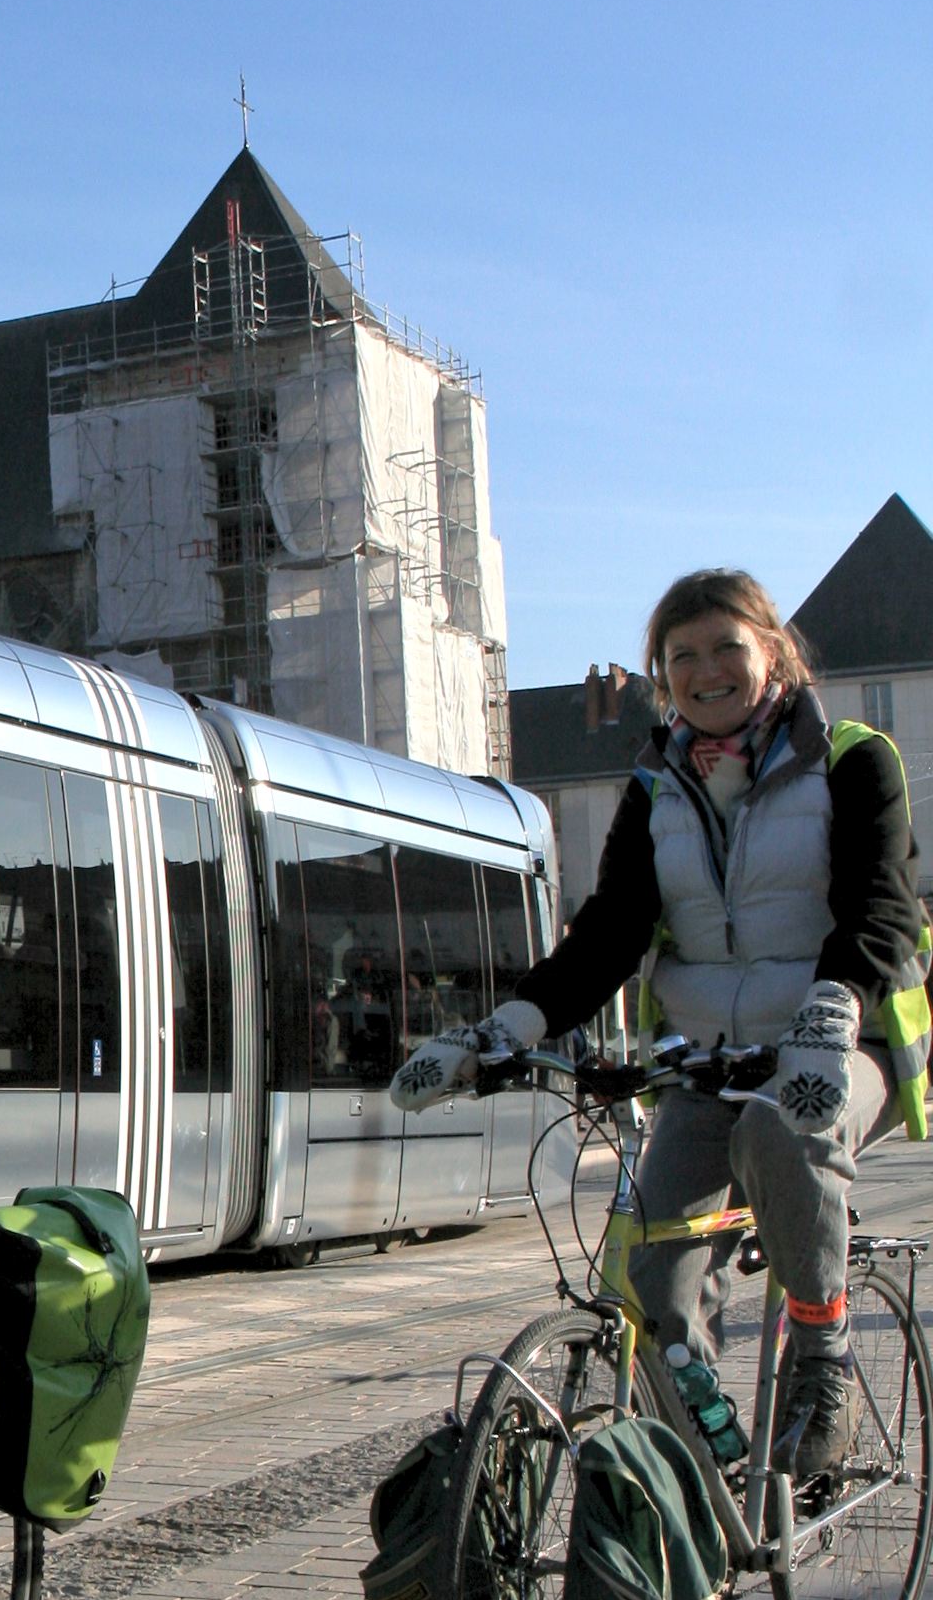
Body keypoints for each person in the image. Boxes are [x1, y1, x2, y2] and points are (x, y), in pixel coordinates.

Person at [393, 570, 929, 1481]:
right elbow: (608, 934)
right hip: (715, 1060)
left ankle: (824, 1359)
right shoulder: (656, 788)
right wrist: (501, 1029)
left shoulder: (850, 758)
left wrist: (830, 1010)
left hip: (843, 1046)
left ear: (773, 654)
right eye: (683, 656)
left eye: (729, 647)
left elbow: (884, 910)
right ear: (661, 675)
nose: (707, 669)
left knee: (781, 1130)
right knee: (652, 1277)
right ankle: (705, 1482)